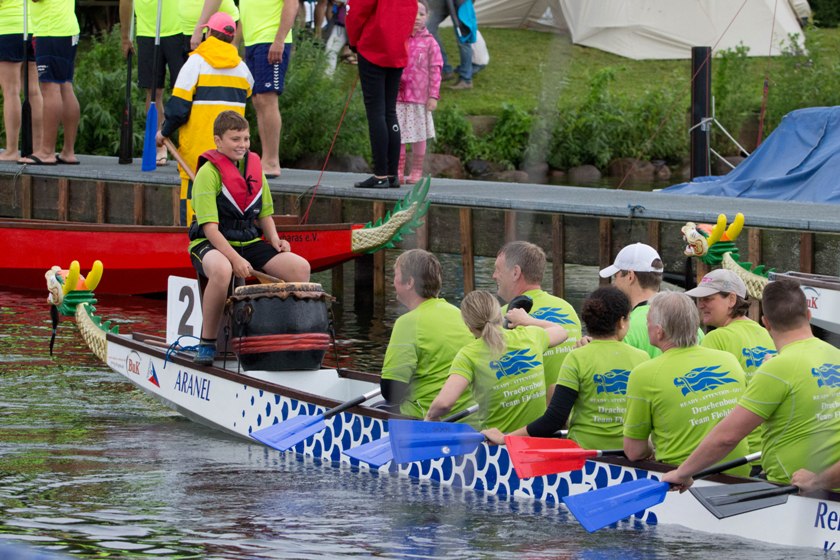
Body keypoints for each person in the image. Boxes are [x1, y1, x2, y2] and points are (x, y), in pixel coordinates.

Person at [661, 278, 840, 489]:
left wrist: (682, 473)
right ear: (809, 316)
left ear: (766, 322)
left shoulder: (776, 369)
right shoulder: (835, 355)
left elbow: (727, 437)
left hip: (796, 490)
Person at [187, 110, 310, 365]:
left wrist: (275, 239)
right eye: (235, 139)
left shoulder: (254, 168)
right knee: (222, 270)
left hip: (248, 240)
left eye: (246, 138)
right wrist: (234, 259)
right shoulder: (207, 173)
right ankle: (207, 342)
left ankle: (288, 340)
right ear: (218, 141)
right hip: (210, 243)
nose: (242, 144)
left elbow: (265, 214)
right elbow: (210, 230)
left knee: (300, 267)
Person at [483, 286, 649, 450]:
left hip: (586, 453)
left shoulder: (577, 357)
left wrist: (505, 438)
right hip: (627, 453)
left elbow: (554, 419)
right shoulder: (642, 358)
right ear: (621, 322)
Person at [623, 291, 750, 475]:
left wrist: (652, 449)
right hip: (739, 474)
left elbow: (634, 451)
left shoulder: (644, 375)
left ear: (659, 331)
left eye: (647, 322)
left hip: (682, 478)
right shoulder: (729, 360)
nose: (646, 326)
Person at [155, 11, 253, 226]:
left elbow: (178, 108)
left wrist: (164, 132)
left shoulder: (195, 63)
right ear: (231, 37)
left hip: (197, 158)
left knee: (194, 216)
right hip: (231, 156)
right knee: (226, 213)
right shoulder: (243, 69)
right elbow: (247, 96)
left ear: (208, 33)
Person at [425, 290, 568, 432]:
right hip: (537, 437)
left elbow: (444, 404)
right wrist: (527, 320)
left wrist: (431, 416)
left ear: (469, 327)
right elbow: (561, 331)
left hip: (498, 441)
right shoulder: (530, 335)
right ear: (499, 315)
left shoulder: (468, 355)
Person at [193, 0, 298, 179]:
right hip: (253, 41)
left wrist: (279, 40)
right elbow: (246, 13)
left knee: (267, 99)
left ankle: (272, 161)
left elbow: (292, 4)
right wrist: (236, 42)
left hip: (270, 39)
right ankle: (265, 159)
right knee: (258, 100)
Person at [685, 268, 776, 458]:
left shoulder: (716, 338)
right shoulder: (763, 332)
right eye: (699, 299)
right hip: (766, 446)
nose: (700, 305)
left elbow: (706, 405)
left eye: (708, 298)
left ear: (732, 300)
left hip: (736, 449)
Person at [380, 249, 476, 419]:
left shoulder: (407, 323)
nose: (392, 282)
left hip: (429, 419)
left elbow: (391, 391)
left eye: (395, 275)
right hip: (469, 416)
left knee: (378, 407)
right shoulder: (459, 314)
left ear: (409, 282)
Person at [493, 241, 581, 400]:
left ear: (515, 273)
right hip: (569, 406)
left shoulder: (504, 316)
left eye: (498, 270)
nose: (494, 276)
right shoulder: (567, 308)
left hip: (534, 409)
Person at [346, 0, 417, 189]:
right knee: (389, 112)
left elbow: (357, 11)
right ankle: (392, 175)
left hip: (374, 46)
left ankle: (380, 175)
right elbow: (411, 12)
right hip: (398, 49)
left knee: (376, 113)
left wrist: (353, 41)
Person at [600, 242, 703, 358]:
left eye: (616, 276)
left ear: (630, 276)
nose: (614, 283)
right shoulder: (692, 328)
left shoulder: (623, 328)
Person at [119, 0, 187, 166]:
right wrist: (125, 37)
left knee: (184, 91)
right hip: (147, 31)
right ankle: (159, 147)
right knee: (153, 92)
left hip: (179, 29)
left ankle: (187, 148)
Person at [17, 0, 79, 166]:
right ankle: (68, 151)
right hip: (67, 28)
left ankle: (46, 152)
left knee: (50, 88)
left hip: (51, 29)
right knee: (65, 86)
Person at [395, 0, 442, 185]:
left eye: (421, 14)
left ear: (427, 17)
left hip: (419, 99)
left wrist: (433, 96)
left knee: (419, 135)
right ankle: (398, 170)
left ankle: (416, 170)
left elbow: (436, 70)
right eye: (413, 13)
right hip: (398, 97)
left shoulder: (430, 43)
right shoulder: (399, 37)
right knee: (398, 134)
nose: (417, 18)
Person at [0, 0, 43, 161]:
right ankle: (38, 149)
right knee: (34, 91)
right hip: (33, 28)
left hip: (8, 29)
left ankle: (11, 150)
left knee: (11, 91)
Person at [426, 0, 475, 90]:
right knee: (428, 29)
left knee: (463, 38)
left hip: (460, 2)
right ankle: (445, 70)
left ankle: (466, 79)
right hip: (441, 2)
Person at [323, 1, 347, 78]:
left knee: (331, 50)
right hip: (340, 24)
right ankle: (327, 76)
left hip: (347, 25)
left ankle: (328, 76)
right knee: (330, 49)